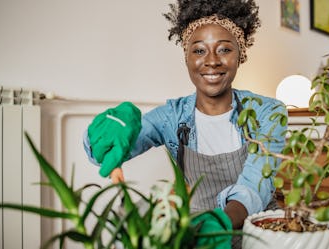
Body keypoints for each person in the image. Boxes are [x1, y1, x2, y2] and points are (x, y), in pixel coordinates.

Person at [84, 0, 287, 248]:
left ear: (240, 53)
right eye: (199, 50)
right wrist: (101, 138)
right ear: (187, 57)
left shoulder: (269, 112)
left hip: (258, 233)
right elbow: (106, 155)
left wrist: (219, 222)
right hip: (194, 233)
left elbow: (257, 183)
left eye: (224, 49)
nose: (212, 61)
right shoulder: (171, 117)